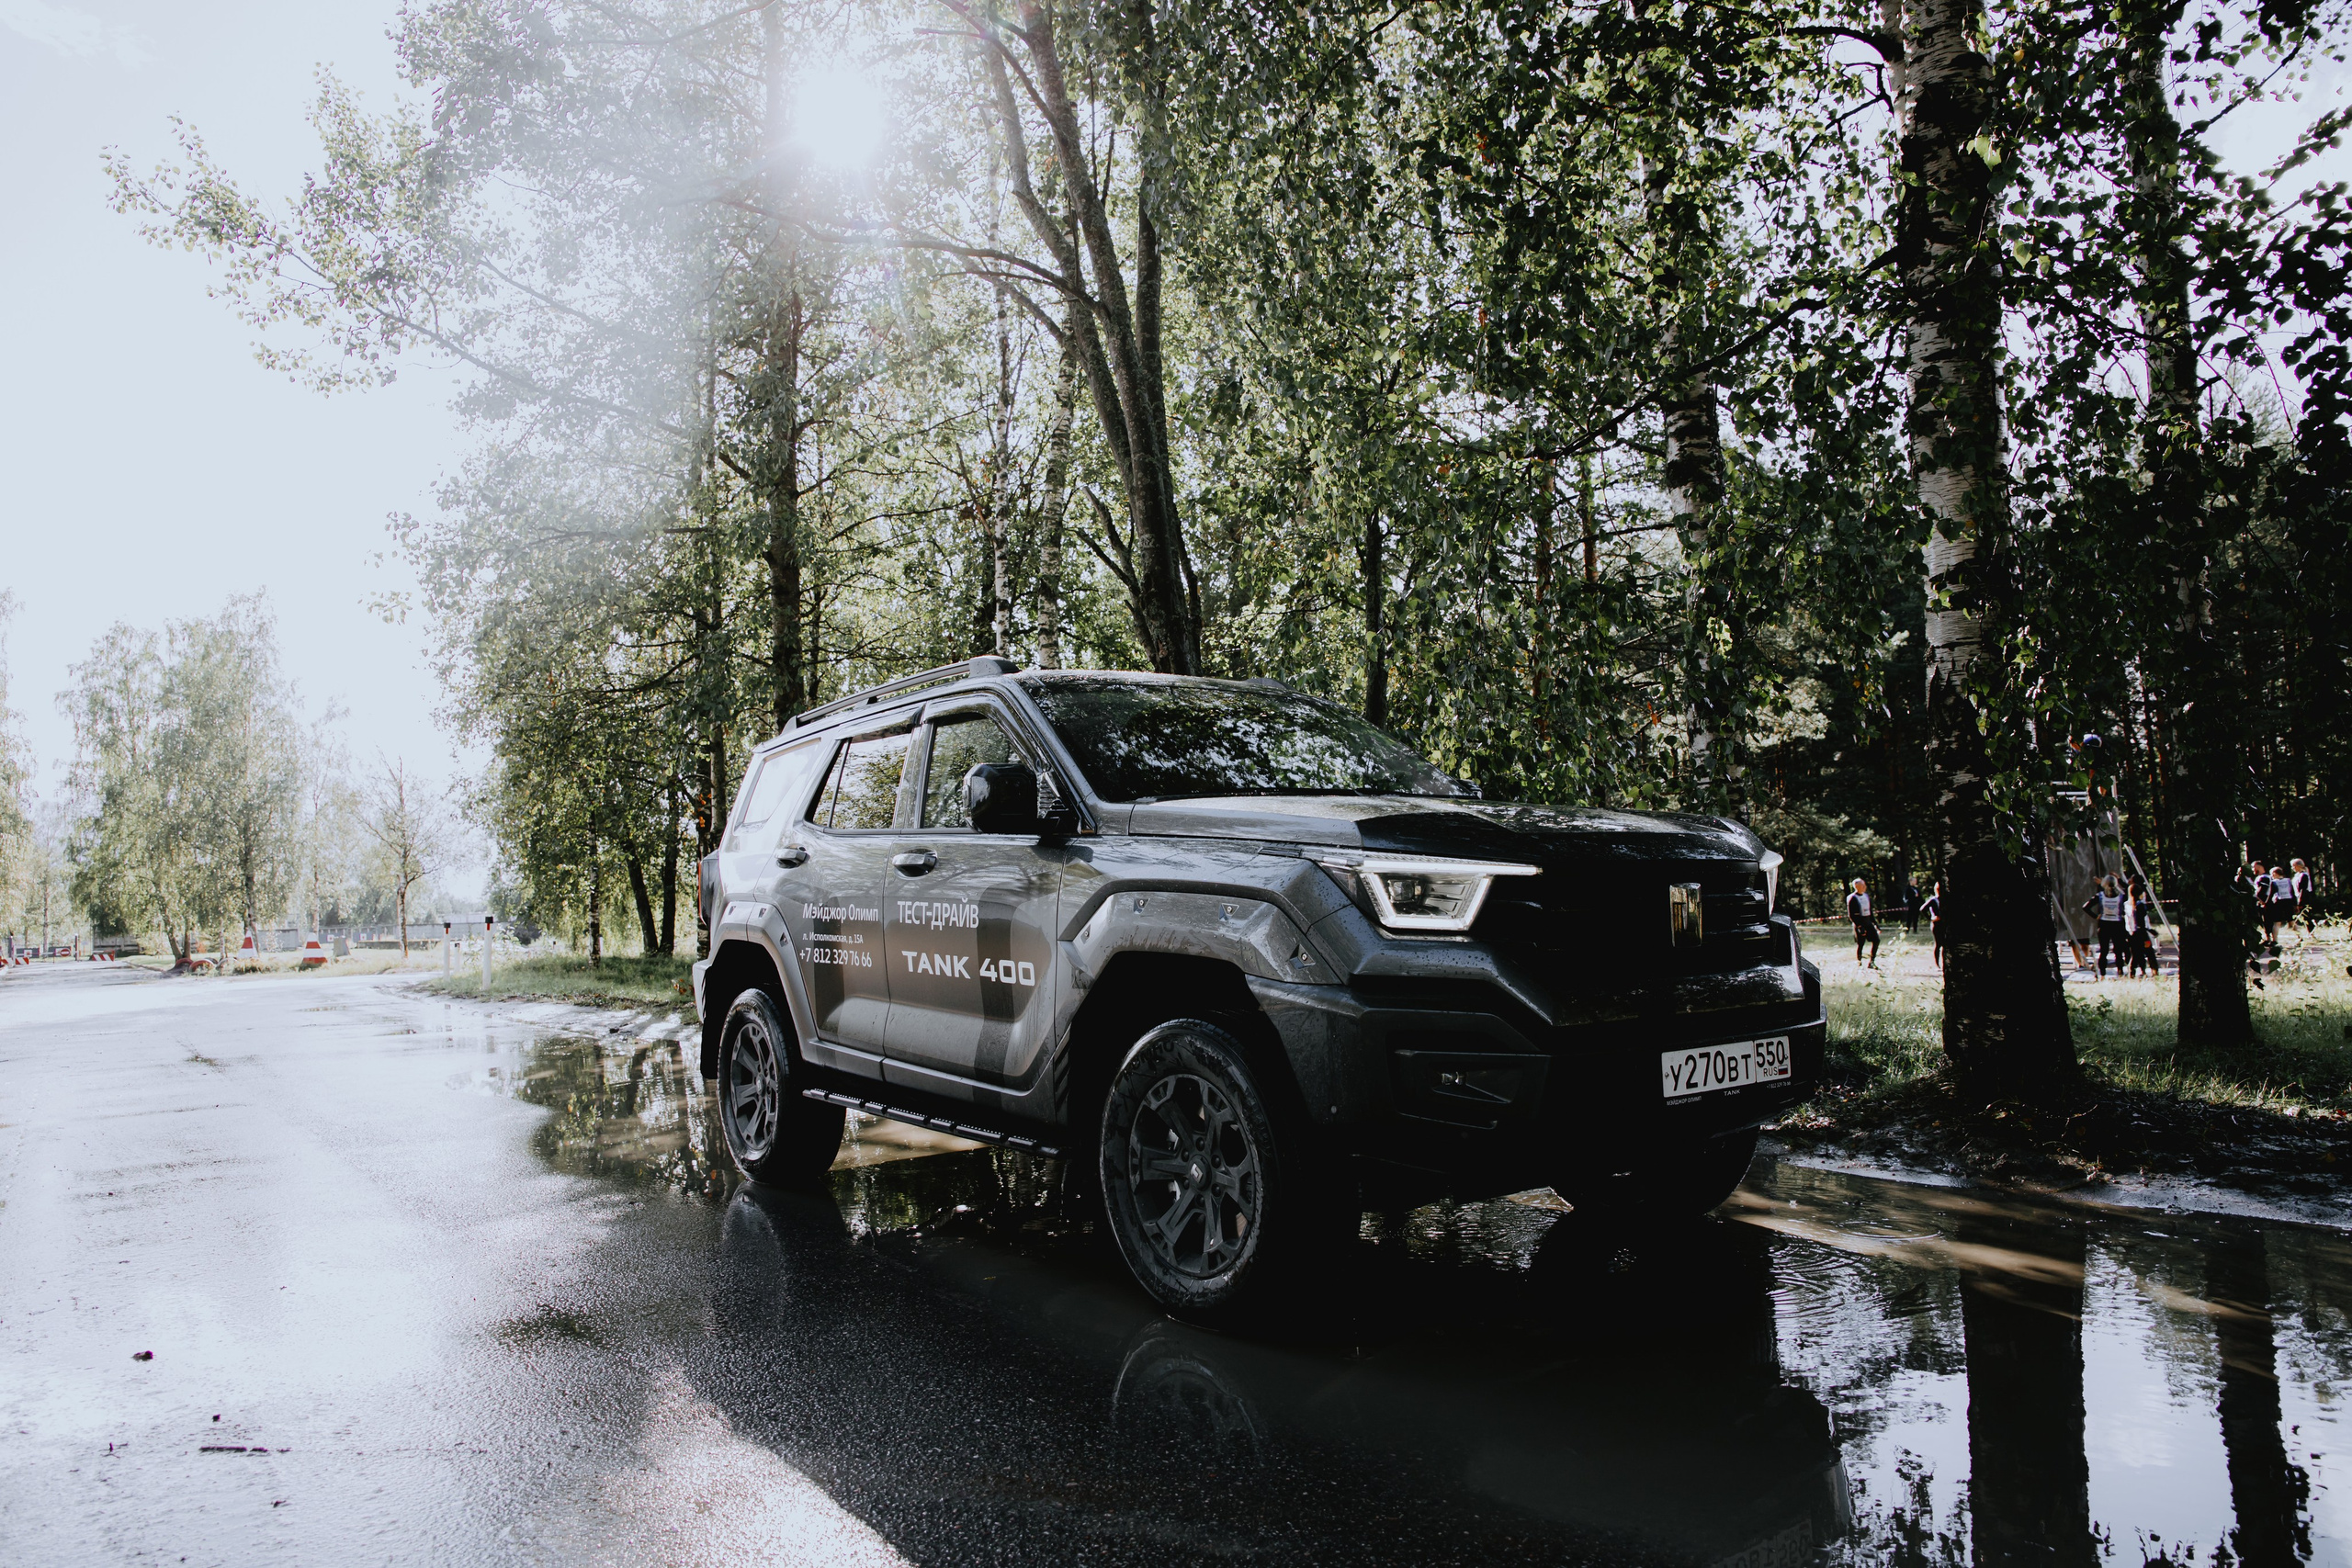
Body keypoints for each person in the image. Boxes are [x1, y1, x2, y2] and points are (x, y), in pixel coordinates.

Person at [2085, 874, 2129, 979]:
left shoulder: (2100, 896)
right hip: (2117, 924)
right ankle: (2120, 972)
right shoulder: (2121, 896)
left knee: (2104, 951)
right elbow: (2129, 890)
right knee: (2118, 950)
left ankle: (2102, 974)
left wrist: (2096, 916)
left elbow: (2085, 907)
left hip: (2104, 924)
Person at [2124, 874, 2155, 976]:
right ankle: (2154, 970)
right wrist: (2146, 935)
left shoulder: (2126, 905)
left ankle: (2133, 972)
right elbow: (2141, 922)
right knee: (2150, 953)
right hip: (2140, 932)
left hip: (2131, 932)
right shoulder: (2140, 905)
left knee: (2136, 954)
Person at [1847, 877, 1881, 970]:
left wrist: (1876, 924)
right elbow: (1851, 915)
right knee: (1861, 943)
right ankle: (1859, 961)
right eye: (1863, 885)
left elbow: (1870, 911)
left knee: (1876, 940)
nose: (1865, 887)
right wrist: (1859, 927)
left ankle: (1872, 962)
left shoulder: (1866, 896)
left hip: (1868, 922)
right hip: (1859, 923)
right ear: (1857, 886)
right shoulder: (1852, 898)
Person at [2290, 858, 2318, 933]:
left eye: (2294, 866)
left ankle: (2311, 932)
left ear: (2299, 866)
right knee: (2302, 916)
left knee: (2306, 915)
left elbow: (2303, 889)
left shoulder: (2304, 875)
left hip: (2304, 897)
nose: (2293, 868)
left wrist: (2300, 900)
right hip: (2297, 896)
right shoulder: (2297, 875)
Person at [1922, 880, 1944, 969]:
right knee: (1938, 944)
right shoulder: (1933, 900)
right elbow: (1922, 909)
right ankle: (1937, 964)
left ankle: (1944, 963)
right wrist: (1931, 918)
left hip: (1944, 924)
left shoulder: (1944, 900)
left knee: (1945, 944)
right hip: (1936, 924)